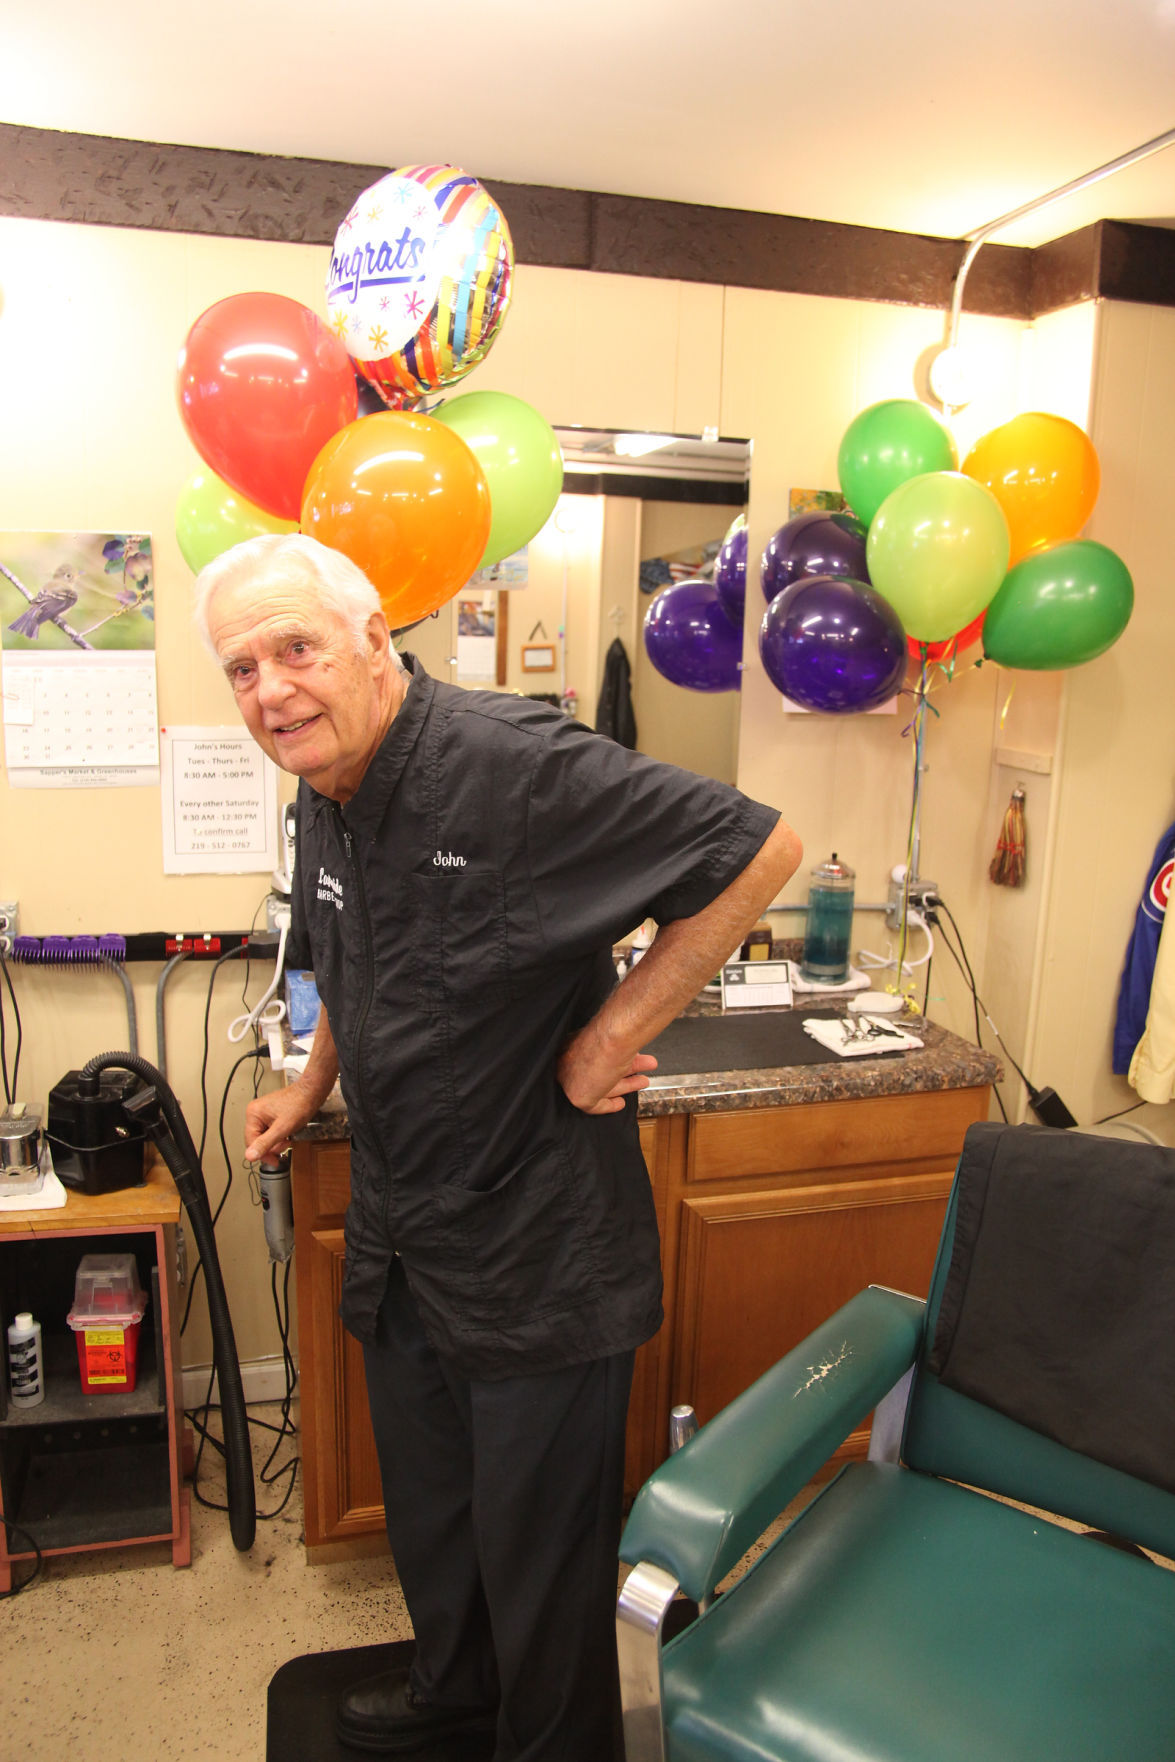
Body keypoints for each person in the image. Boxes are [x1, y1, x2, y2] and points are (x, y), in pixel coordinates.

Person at [194, 533, 802, 1762]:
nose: (270, 691)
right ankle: (450, 1687)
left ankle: (549, 1743)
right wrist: (311, 1082)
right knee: (434, 1511)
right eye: (242, 668)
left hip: (536, 1243)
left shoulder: (513, 766)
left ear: (374, 640)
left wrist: (613, 1030)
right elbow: (349, 961)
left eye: (295, 649)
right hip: (406, 1231)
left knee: (539, 1549)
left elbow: (761, 850)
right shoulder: (322, 780)